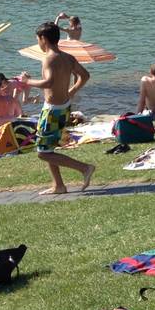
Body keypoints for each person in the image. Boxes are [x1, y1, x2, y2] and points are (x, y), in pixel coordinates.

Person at [17, 22, 94, 195]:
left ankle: (84, 168)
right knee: (48, 148)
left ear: (43, 39)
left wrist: (27, 81)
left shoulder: (48, 58)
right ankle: (58, 185)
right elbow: (85, 75)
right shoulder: (67, 57)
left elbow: (49, 82)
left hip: (52, 111)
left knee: (42, 153)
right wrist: (72, 91)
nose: (38, 42)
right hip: (64, 107)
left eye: (37, 39)